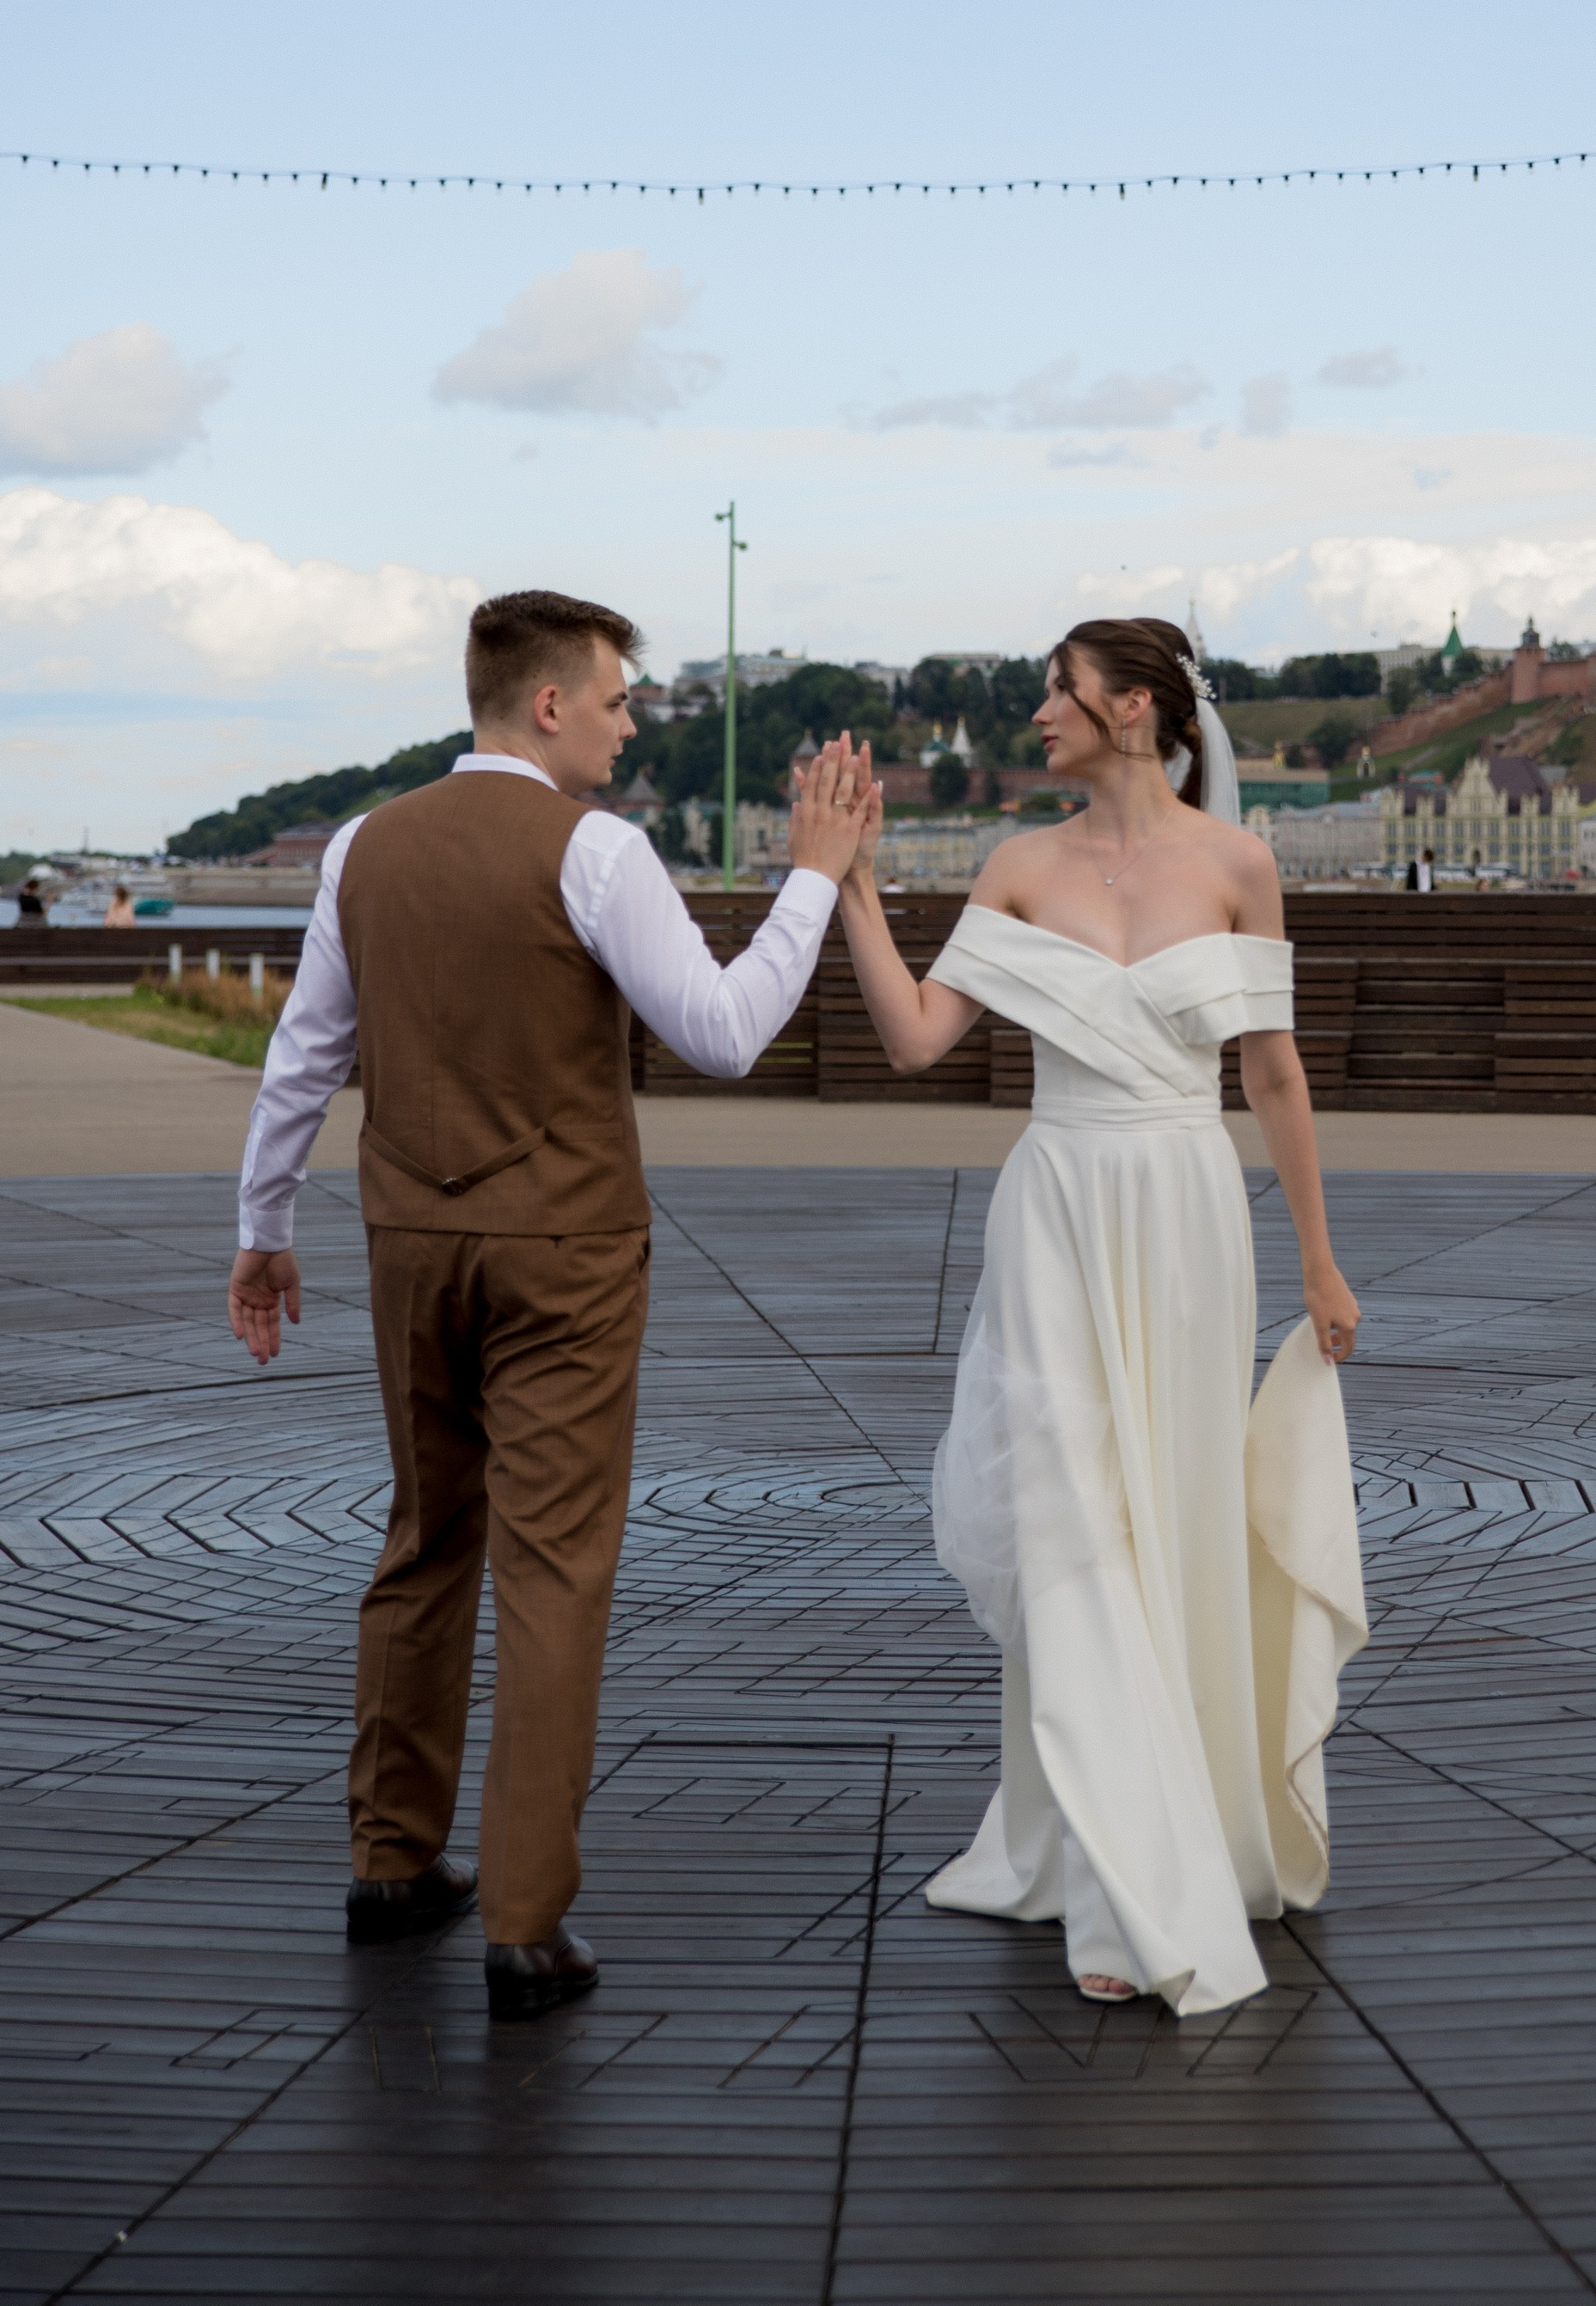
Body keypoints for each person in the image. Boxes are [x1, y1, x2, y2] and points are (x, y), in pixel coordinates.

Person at [226, 590, 871, 2021]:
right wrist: (814, 880)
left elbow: (305, 1055)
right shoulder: (598, 851)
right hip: (564, 1252)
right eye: (620, 701)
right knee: (555, 1569)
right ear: (550, 704)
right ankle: (524, 1923)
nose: (631, 727)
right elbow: (722, 1034)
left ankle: (392, 1860)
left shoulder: (361, 845)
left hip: (410, 1242)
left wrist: (263, 1227)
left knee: (422, 1539)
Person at [835, 615, 1367, 2014]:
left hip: (1187, 1211)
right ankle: (1108, 1863)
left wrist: (1318, 1262)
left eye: (1058, 692)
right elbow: (916, 1039)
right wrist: (853, 888)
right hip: (1057, 1209)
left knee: (1170, 1511)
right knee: (1071, 1510)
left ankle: (1175, 1822)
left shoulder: (1239, 866)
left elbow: (1275, 1076)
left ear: (1135, 709)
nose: (1039, 716)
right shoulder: (1019, 866)